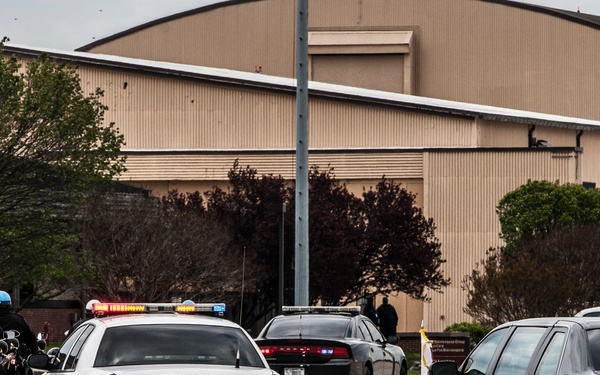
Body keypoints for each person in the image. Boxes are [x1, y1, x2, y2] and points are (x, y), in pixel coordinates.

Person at [0, 290, 38, 375]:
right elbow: (31, 339)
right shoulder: (18, 320)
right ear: (8, 305)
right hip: (14, 361)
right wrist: (34, 349)